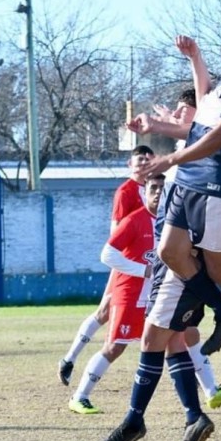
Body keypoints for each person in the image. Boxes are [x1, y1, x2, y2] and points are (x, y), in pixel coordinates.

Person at [96, 21, 221, 441]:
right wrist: (194, 61)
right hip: (195, 179)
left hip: (215, 177)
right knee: (168, 261)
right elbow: (202, 118)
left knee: (197, 285)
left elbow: (219, 136)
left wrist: (172, 157)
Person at [130, 87, 221, 409]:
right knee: (175, 338)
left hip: (179, 261)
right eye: (177, 111)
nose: (178, 114)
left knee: (158, 337)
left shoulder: (206, 151)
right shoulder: (186, 151)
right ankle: (198, 409)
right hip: (170, 258)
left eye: (185, 110)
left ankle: (141, 417)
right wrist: (161, 127)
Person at [68, 172, 165, 414]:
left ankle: (207, 393)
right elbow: (107, 255)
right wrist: (143, 271)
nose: (158, 193)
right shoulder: (134, 220)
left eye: (162, 188)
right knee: (115, 347)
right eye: (153, 188)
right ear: (144, 192)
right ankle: (79, 396)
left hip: (157, 296)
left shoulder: (171, 222)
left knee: (179, 341)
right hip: (130, 294)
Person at [58, 145, 154, 386]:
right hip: (129, 263)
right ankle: (69, 359)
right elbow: (117, 232)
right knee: (103, 313)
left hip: (145, 263)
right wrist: (130, 263)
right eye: (139, 159)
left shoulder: (153, 188)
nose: (144, 163)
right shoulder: (126, 191)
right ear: (129, 164)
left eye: (148, 159)